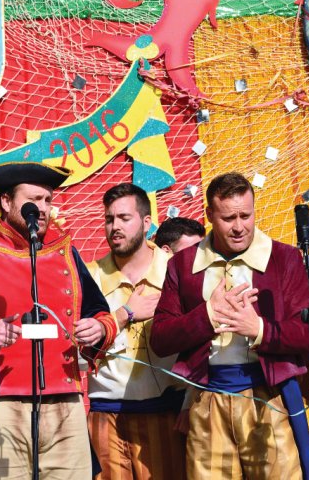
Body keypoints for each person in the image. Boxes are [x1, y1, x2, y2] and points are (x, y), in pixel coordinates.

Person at [0, 162, 117, 479]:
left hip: (66, 406)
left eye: (47, 200)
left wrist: (98, 328)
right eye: (34, 200)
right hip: (0, 408)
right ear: (5, 201)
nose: (42, 209)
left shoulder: (66, 254)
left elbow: (101, 313)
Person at [150, 172, 309, 480]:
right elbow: (160, 338)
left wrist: (261, 330)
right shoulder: (183, 264)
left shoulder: (285, 258)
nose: (239, 226)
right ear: (210, 214)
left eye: (245, 215)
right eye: (228, 218)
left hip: (269, 397)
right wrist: (207, 316)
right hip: (207, 400)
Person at [86, 183, 185, 480]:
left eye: (124, 218)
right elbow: (79, 347)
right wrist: (125, 314)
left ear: (146, 222)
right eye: (109, 219)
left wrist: (192, 402)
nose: (115, 226)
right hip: (106, 413)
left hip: (166, 412)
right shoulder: (88, 276)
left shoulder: (176, 270)